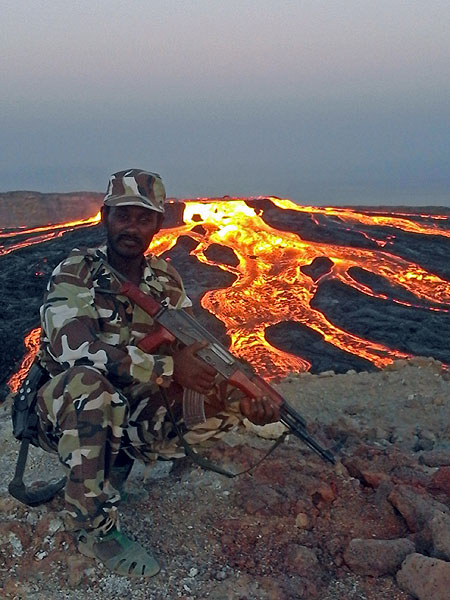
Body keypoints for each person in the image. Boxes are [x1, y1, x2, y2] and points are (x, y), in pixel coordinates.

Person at [35, 168, 279, 578]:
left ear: (158, 225)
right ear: (104, 217)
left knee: (222, 390)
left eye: (143, 217)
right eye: (123, 215)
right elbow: (71, 350)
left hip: (133, 402)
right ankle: (91, 526)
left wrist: (245, 396)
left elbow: (194, 344)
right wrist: (168, 367)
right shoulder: (76, 271)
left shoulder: (165, 279)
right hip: (66, 408)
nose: (132, 227)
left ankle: (132, 455)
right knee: (92, 387)